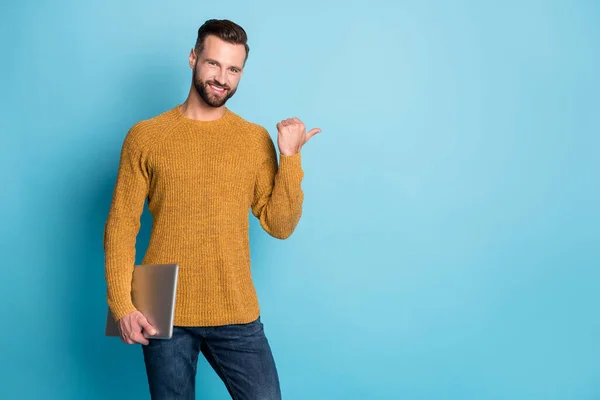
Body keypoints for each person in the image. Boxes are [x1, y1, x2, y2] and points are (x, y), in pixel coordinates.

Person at [103, 18, 321, 400]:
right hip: (161, 305)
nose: (222, 77)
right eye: (213, 63)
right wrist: (122, 305)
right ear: (193, 58)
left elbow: (279, 224)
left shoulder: (254, 139)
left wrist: (290, 158)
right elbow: (122, 226)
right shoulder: (146, 137)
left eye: (234, 69)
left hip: (234, 302)